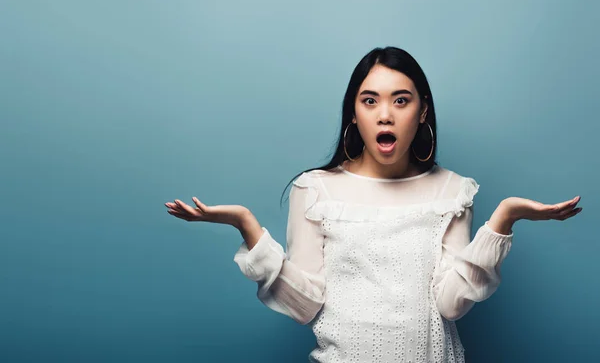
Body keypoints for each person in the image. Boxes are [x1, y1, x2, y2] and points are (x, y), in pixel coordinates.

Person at [164, 47, 582, 362]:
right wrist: (248, 227)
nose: (385, 114)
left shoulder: (452, 190)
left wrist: (503, 220)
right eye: (370, 101)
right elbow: (306, 304)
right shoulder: (315, 190)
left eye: (401, 100)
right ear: (354, 113)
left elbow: (451, 304)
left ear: (422, 113)